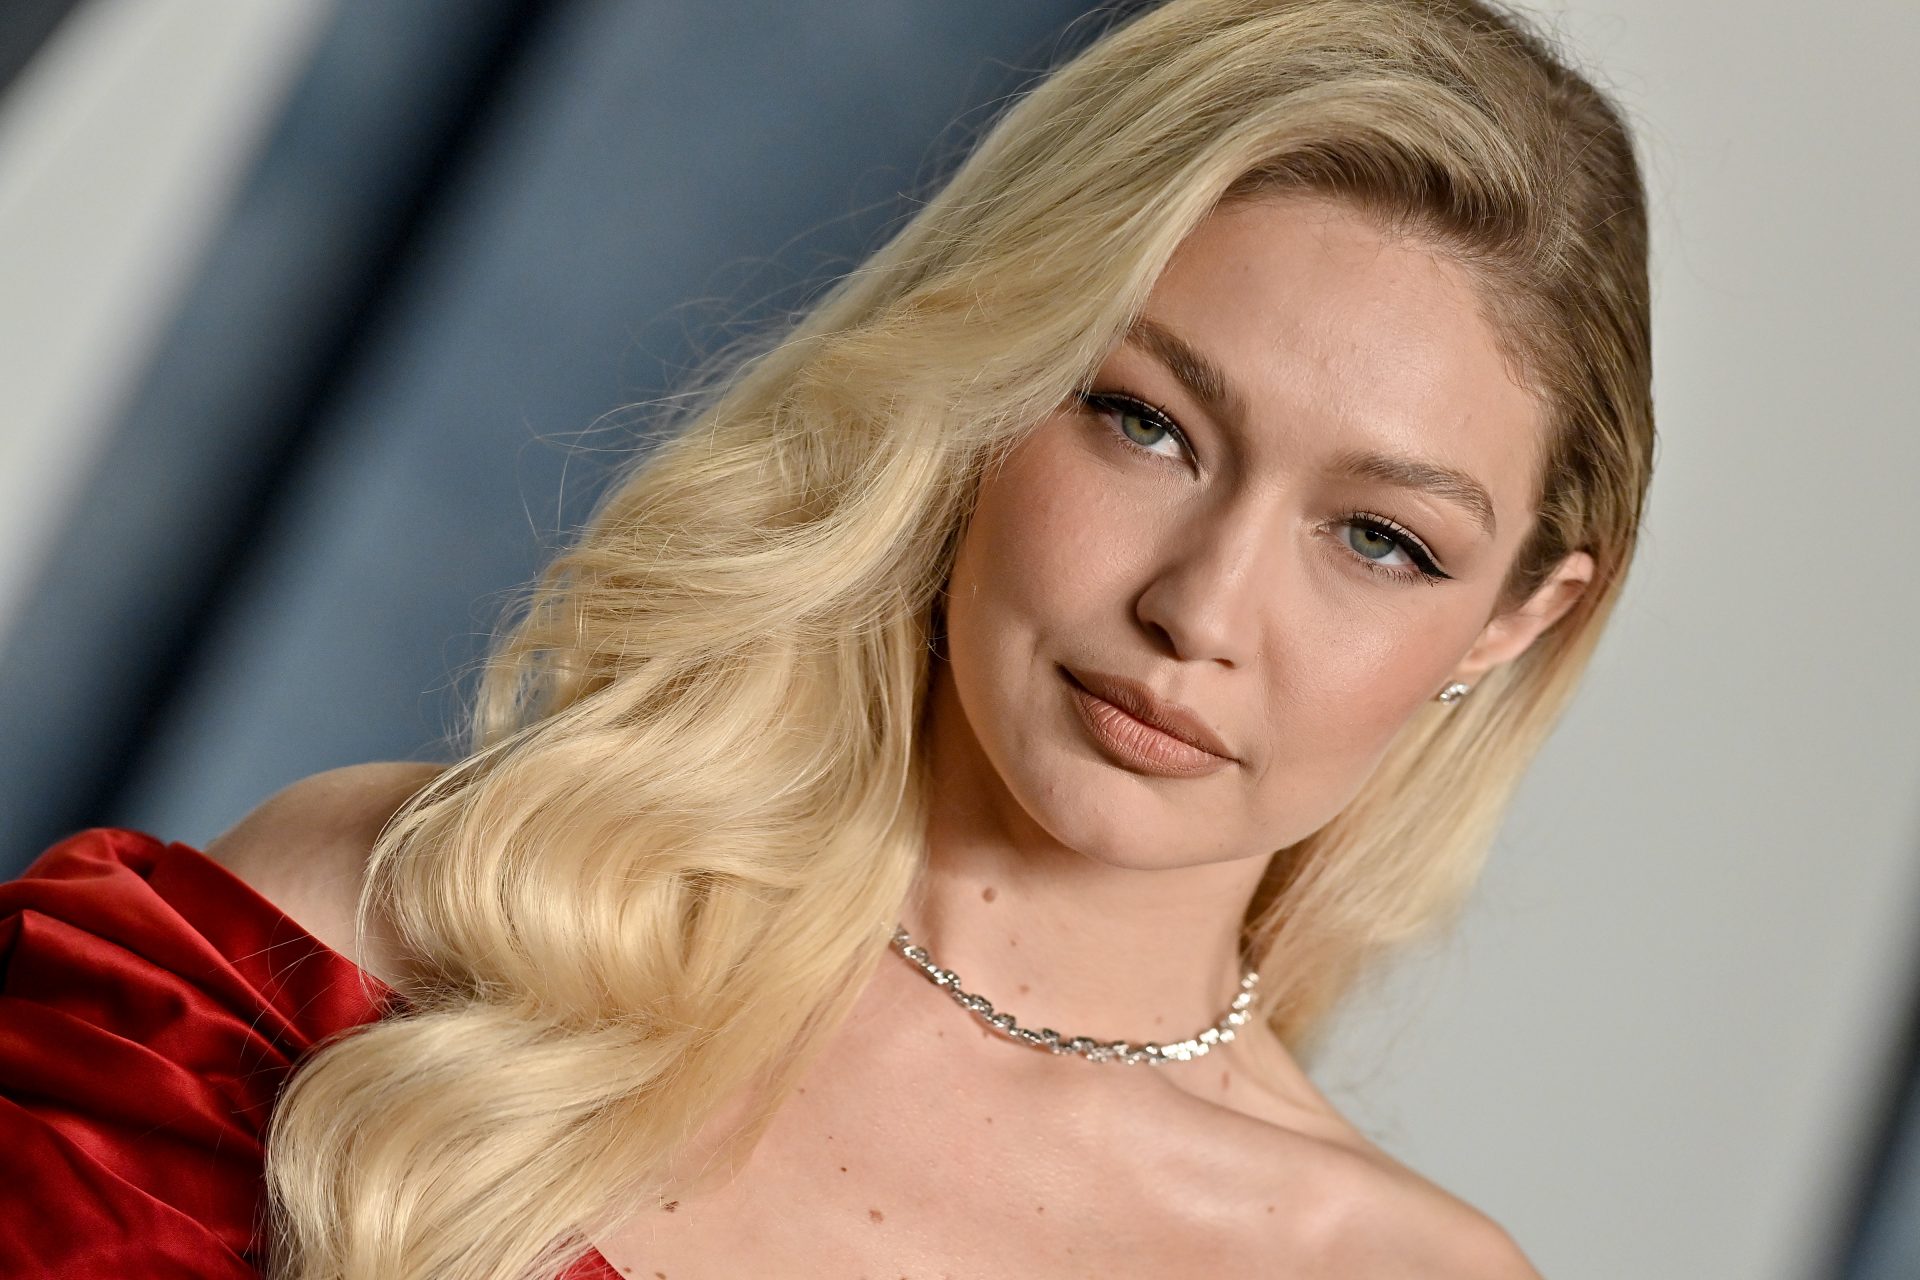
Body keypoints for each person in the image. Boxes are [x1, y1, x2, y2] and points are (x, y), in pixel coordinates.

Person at [0, 0, 1653, 1275]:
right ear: (988, 383)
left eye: (1379, 539)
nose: (1202, 609)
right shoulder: (375, 934)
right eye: (1145, 422)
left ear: (1512, 620)